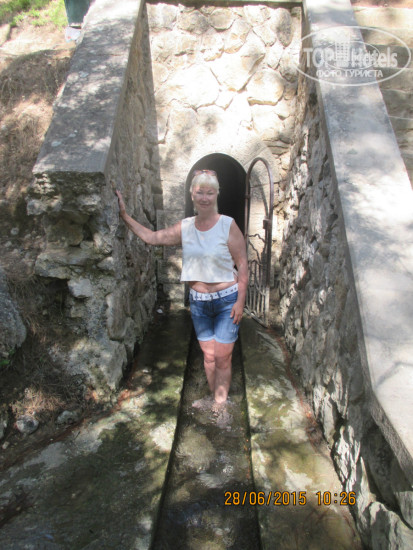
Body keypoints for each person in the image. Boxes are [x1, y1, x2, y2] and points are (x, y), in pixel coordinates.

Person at [116, 169, 248, 410]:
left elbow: (243, 264)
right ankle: (214, 397)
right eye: (200, 192)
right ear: (192, 194)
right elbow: (152, 238)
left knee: (223, 357)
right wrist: (124, 216)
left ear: (217, 194)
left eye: (210, 192)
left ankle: (220, 406)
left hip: (227, 301)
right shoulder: (185, 227)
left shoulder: (227, 225)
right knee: (209, 357)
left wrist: (240, 301)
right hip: (199, 302)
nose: (205, 197)